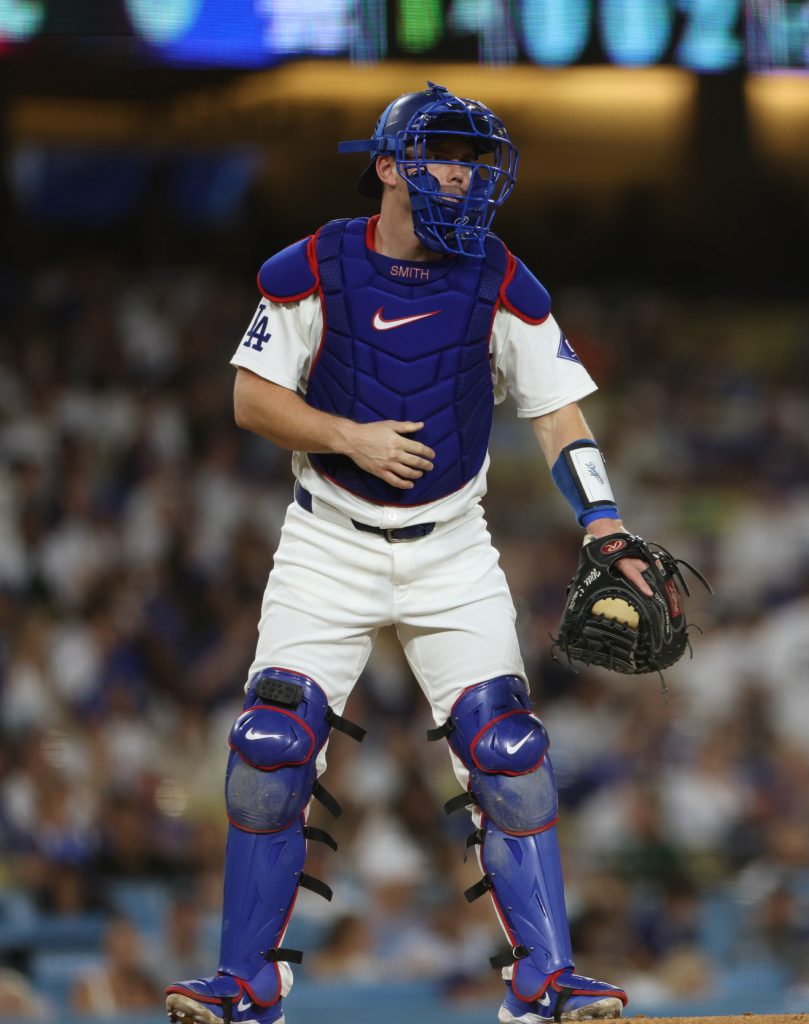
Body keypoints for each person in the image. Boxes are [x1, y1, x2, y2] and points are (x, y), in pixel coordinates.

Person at [165, 82, 646, 1024]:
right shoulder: (316, 262)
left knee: (509, 752)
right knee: (269, 748)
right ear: (387, 167)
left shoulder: (501, 274)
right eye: (442, 155)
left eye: (471, 157)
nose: (462, 175)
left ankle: (544, 982)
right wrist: (350, 435)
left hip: (452, 547)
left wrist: (606, 523)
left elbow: (558, 414)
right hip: (328, 538)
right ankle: (248, 984)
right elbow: (250, 399)